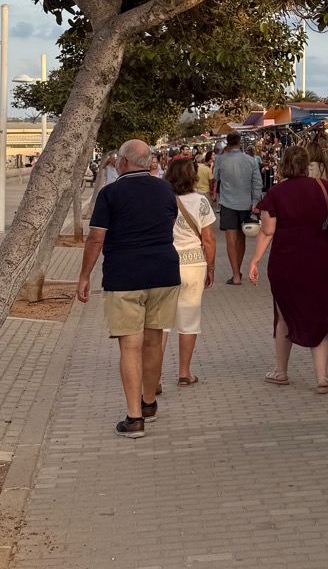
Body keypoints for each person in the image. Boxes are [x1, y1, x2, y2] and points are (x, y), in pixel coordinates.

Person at [78, 137, 181, 437]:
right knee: (155, 340)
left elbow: (96, 238)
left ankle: (134, 418)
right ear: (148, 162)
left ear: (122, 162)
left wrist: (84, 275)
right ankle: (149, 403)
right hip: (164, 272)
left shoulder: (111, 194)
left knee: (130, 346)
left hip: (125, 277)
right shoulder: (166, 189)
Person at [248, 145, 328, 393]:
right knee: (321, 312)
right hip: (323, 261)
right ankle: (322, 377)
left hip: (287, 264)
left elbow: (267, 230)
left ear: (284, 165)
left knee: (284, 314)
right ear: (307, 164)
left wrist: (254, 261)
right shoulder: (322, 186)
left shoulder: (275, 193)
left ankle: (281, 372)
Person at [164, 155, 216, 386]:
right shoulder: (201, 201)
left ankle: (154, 376)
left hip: (165, 262)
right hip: (194, 264)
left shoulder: (161, 197)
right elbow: (209, 239)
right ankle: (184, 373)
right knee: (189, 320)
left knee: (160, 322)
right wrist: (211, 266)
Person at [213, 133, 264, 285]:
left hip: (228, 203)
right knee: (242, 239)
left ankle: (235, 274)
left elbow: (216, 177)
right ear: (240, 142)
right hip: (246, 203)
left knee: (231, 240)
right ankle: (239, 270)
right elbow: (257, 184)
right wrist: (256, 202)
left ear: (227, 144)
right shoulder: (250, 160)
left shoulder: (220, 160)